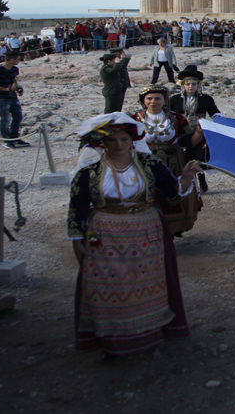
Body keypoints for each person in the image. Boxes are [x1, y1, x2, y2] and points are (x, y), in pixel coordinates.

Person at [68, 113, 200, 358]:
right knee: (110, 287)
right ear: (101, 143)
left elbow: (173, 195)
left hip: (145, 235)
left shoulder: (150, 164)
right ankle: (112, 343)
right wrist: (76, 239)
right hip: (103, 236)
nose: (119, 144)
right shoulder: (89, 171)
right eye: (113, 140)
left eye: (124, 139)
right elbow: (76, 206)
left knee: (148, 284)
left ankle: (149, 336)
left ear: (132, 140)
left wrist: (185, 177)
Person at [132, 86, 204, 236]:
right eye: (149, 98)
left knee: (173, 193)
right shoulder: (134, 119)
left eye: (158, 98)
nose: (153, 101)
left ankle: (171, 231)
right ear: (143, 101)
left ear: (164, 100)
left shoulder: (177, 118)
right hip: (144, 164)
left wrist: (199, 131)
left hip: (173, 163)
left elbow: (189, 143)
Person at [169, 65, 223, 193]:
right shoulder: (174, 99)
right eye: (187, 84)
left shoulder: (206, 99)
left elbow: (214, 112)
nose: (190, 87)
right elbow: (168, 114)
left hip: (198, 131)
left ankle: (201, 176)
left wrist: (220, 120)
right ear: (183, 85)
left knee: (197, 155)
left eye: (194, 84)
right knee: (182, 154)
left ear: (198, 85)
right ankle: (183, 180)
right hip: (181, 131)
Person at [0, 52, 30, 149]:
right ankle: (7, 140)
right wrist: (7, 89)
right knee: (5, 119)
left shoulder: (14, 69)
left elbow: (13, 79)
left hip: (13, 96)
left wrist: (17, 88)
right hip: (2, 97)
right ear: (12, 60)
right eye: (18, 59)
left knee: (18, 117)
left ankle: (14, 138)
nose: (19, 61)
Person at [99, 49, 131, 114]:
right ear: (109, 61)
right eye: (114, 60)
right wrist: (119, 62)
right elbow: (114, 69)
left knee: (117, 109)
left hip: (115, 90)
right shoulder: (105, 68)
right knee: (110, 110)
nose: (115, 61)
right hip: (111, 91)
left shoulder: (109, 67)